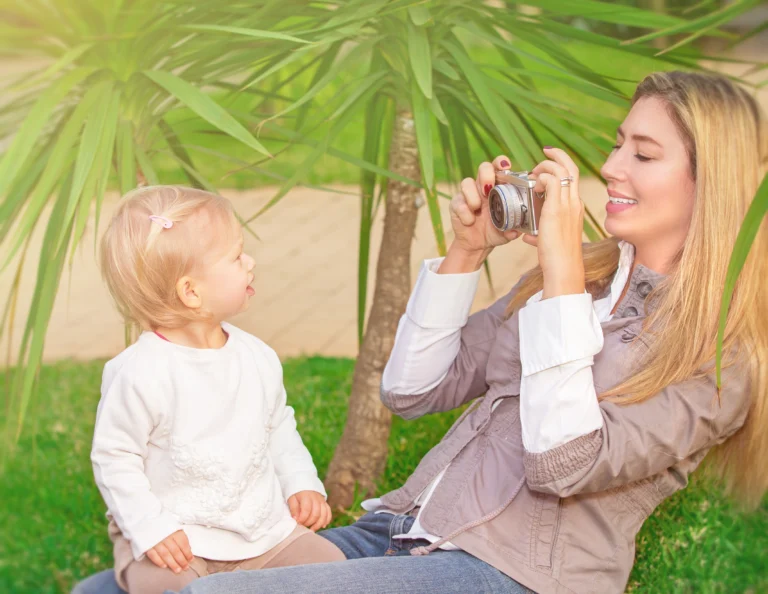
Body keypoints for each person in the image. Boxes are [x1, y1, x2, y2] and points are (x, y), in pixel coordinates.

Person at [74, 71, 767, 594]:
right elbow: (410, 389)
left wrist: (556, 266)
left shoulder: (717, 357)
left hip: (511, 572)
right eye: (618, 143)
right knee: (101, 590)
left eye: (643, 154)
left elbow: (562, 464)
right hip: (407, 535)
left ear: (712, 185)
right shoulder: (581, 282)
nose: (610, 167)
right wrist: (467, 253)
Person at [86, 186, 345, 594]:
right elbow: (115, 457)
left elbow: (277, 425)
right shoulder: (141, 373)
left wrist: (300, 482)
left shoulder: (255, 357)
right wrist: (151, 529)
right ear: (191, 292)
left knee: (333, 569)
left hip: (259, 529)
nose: (251, 263)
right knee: (166, 586)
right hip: (178, 541)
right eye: (236, 256)